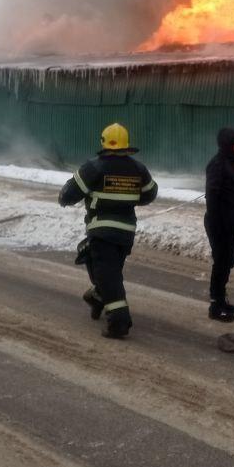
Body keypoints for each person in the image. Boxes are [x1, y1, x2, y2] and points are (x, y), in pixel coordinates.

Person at [58, 123, 157, 340]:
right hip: (125, 234)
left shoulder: (94, 167)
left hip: (101, 232)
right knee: (109, 273)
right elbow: (150, 194)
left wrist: (67, 198)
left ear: (103, 143)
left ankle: (119, 322)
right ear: (126, 144)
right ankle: (97, 297)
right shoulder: (138, 169)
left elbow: (68, 194)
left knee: (108, 275)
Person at [204, 127, 234, 322]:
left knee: (228, 261)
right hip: (219, 222)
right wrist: (217, 223)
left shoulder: (231, 164)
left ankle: (222, 299)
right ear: (228, 144)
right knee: (221, 262)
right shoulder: (218, 165)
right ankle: (216, 305)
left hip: (230, 221)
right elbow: (213, 197)